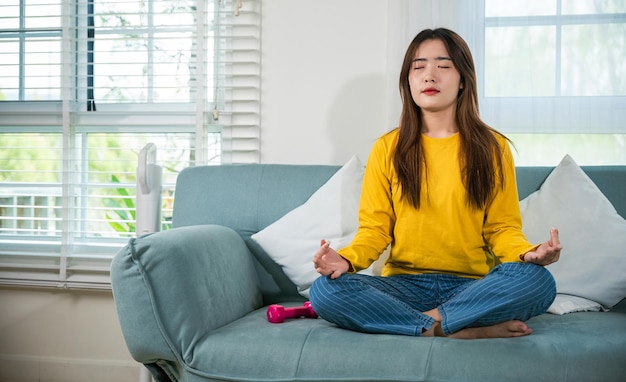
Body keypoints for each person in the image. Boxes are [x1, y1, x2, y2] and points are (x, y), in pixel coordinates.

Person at [309, 28, 562, 339]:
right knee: (324, 291)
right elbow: (374, 230)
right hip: (404, 286)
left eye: (443, 66)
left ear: (463, 80)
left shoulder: (493, 147)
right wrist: (346, 259)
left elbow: (502, 228)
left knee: (538, 282)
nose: (429, 76)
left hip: (473, 286)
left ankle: (425, 324)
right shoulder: (387, 148)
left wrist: (528, 254)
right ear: (408, 82)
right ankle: (463, 328)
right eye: (418, 67)